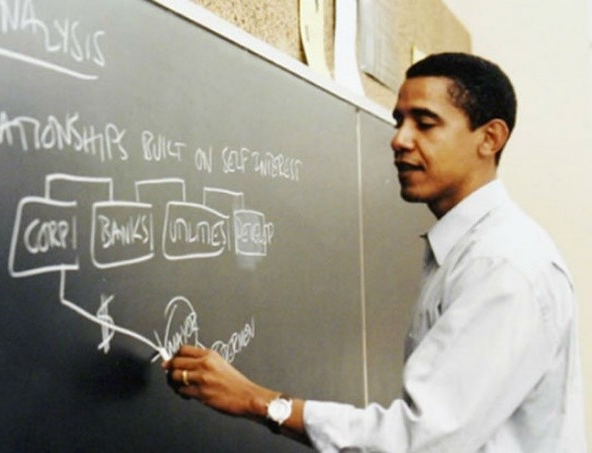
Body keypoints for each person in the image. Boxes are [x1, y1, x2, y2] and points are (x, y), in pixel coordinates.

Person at [162, 52, 587, 452]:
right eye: (399, 121)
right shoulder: (475, 250)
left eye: (425, 123)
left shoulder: (501, 265)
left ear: (489, 138)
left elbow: (419, 440)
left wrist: (258, 400)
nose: (399, 140)